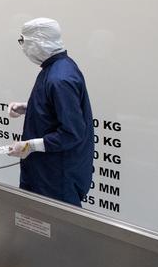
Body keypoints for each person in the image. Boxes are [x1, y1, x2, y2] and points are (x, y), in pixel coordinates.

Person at [6, 18, 93, 206]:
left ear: (39, 41)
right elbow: (57, 109)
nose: (23, 47)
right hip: (44, 171)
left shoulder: (60, 79)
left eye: (23, 41)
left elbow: (71, 133)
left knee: (55, 222)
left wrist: (29, 146)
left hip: (56, 176)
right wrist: (28, 108)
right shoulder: (56, 68)